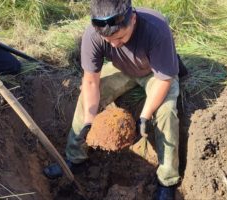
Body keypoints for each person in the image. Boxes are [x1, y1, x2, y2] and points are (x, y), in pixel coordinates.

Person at [44, 0, 186, 199]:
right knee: (86, 98)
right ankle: (75, 158)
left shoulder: (156, 29)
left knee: (166, 112)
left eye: (120, 37)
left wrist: (144, 116)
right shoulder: (93, 35)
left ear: (133, 19)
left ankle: (167, 180)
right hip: (123, 68)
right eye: (108, 39)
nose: (113, 44)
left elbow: (164, 80)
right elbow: (91, 82)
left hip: (156, 71)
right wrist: (89, 120)